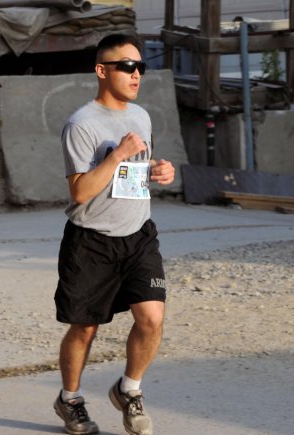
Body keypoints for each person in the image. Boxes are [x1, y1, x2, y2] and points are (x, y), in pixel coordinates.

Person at [53, 33, 175, 435]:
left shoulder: (141, 116)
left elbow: (134, 172)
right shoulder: (81, 124)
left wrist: (158, 169)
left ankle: (129, 389)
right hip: (91, 241)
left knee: (151, 317)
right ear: (102, 70)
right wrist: (117, 155)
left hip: (138, 233)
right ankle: (69, 399)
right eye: (127, 66)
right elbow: (80, 191)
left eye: (140, 67)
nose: (136, 74)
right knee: (85, 327)